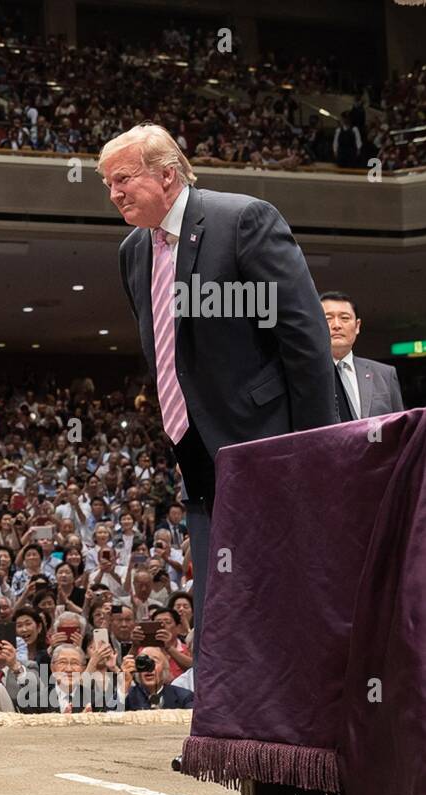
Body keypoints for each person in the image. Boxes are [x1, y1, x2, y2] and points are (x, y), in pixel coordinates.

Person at [100, 124, 338, 654]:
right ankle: (227, 700)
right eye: (107, 184)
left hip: (267, 443)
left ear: (167, 175)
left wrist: (315, 446)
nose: (114, 193)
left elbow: (304, 338)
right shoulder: (132, 251)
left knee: (283, 592)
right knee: (221, 601)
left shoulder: (242, 220)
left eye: (123, 179)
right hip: (194, 451)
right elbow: (169, 350)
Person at [321, 291, 404, 420]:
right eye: (328, 319)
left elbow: (400, 424)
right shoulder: (305, 375)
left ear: (357, 326)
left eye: (345, 318)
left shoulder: (385, 374)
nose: (336, 325)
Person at [121, 645, 194, 710]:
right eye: (143, 662)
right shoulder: (127, 695)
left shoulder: (184, 696)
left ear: (164, 668)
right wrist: (124, 683)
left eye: (154, 661)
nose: (149, 668)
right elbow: (114, 713)